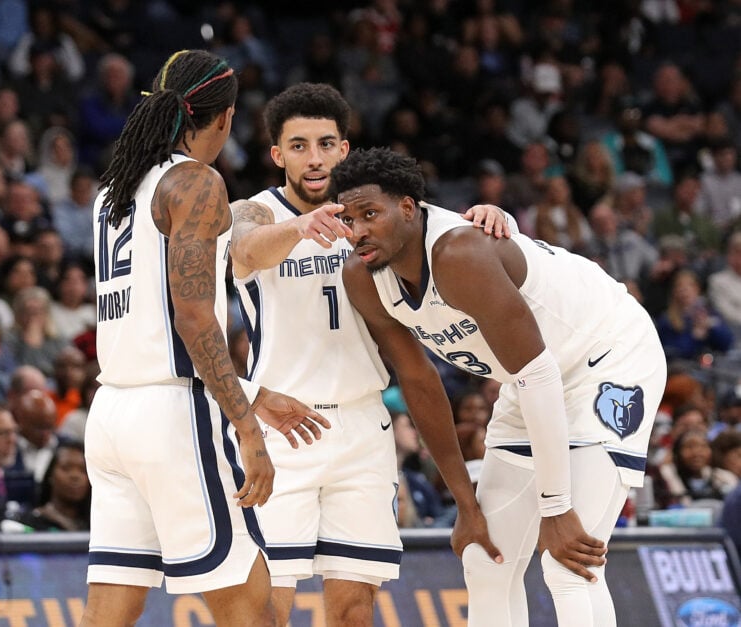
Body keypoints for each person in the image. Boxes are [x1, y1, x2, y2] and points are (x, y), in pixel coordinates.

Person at [331, 146, 667, 626]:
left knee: (568, 561)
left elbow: (541, 375)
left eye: (370, 214)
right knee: (484, 557)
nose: (358, 230)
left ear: (408, 207)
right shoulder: (362, 277)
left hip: (606, 357)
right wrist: (464, 503)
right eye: (348, 219)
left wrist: (556, 506)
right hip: (528, 376)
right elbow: (421, 385)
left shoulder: (459, 252)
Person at [228, 81, 510, 626]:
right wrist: (300, 226)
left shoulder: (372, 211)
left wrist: (499, 217)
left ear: (344, 150)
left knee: (355, 610)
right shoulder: (256, 211)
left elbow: (441, 229)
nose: (315, 158)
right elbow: (243, 247)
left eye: (326, 144)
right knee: (267, 609)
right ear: (277, 154)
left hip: (362, 426)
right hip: (282, 430)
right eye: (300, 145)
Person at [82, 49, 329, 627]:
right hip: (172, 419)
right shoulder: (194, 182)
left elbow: (150, 326)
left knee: (107, 615)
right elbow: (193, 319)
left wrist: (254, 395)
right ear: (224, 118)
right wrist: (246, 426)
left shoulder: (112, 193)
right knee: (255, 613)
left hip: (113, 415)